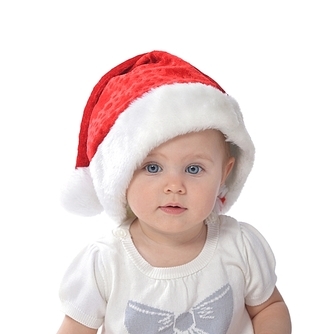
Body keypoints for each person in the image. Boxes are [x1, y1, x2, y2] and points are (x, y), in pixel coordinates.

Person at [57, 50, 291, 334]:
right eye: (153, 168)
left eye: (194, 169)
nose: (174, 186)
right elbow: (76, 328)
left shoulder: (240, 246)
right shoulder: (106, 262)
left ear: (224, 173)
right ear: (121, 176)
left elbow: (268, 307)